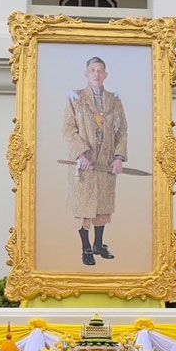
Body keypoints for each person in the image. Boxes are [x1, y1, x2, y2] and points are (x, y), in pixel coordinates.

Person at [63, 55, 128, 266]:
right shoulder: (76, 98)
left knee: (102, 205)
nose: (96, 74)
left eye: (100, 70)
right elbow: (68, 129)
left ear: (105, 75)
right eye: (93, 70)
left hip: (106, 164)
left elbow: (122, 130)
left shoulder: (114, 101)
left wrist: (118, 157)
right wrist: (81, 154)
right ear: (86, 74)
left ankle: (99, 244)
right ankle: (86, 247)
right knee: (84, 206)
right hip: (85, 166)